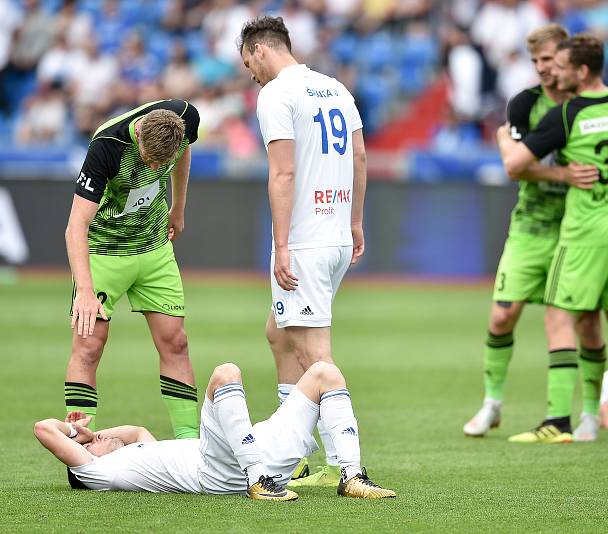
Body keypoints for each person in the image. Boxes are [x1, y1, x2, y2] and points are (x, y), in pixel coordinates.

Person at [497, 34, 608, 443]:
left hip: (584, 233)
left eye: (563, 66)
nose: (555, 73)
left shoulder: (567, 115)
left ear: (581, 71)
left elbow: (515, 163)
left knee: (558, 317)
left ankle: (557, 422)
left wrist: (503, 137)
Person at [238, 16, 367, 486]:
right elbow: (360, 156)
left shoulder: (276, 93)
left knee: (316, 354)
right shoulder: (334, 88)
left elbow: (284, 173)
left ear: (258, 50)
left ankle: (349, 467)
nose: (250, 73)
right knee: (278, 334)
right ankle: (294, 453)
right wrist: (354, 221)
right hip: (334, 234)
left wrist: (281, 244)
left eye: (248, 63)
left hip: (306, 241)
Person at [463, 24, 606, 445]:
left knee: (585, 323)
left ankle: (589, 415)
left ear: (569, 61)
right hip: (529, 226)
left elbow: (516, 156)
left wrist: (509, 147)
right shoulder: (526, 103)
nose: (543, 69)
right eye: (537, 61)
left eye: (549, 60)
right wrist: (559, 171)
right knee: (502, 315)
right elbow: (518, 165)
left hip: (576, 230)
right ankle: (492, 403)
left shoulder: (592, 103)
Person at [34, 361, 396, 499]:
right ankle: (259, 483)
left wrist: (92, 436)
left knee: (324, 373)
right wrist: (75, 435)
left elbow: (136, 430)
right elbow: (43, 429)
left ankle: (351, 476)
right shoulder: (97, 473)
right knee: (225, 374)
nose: (99, 436)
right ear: (80, 464)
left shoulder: (137, 450)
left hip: (256, 454)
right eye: (93, 443)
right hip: (219, 473)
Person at [65, 100, 201, 440]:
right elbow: (75, 227)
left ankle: (190, 448)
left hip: (154, 250)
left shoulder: (185, 118)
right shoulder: (105, 147)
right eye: (149, 159)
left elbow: (184, 153)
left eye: (161, 162)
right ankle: (81, 448)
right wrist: (84, 291)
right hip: (104, 253)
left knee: (176, 343)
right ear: (138, 132)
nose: (155, 167)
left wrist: (178, 207)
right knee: (89, 346)